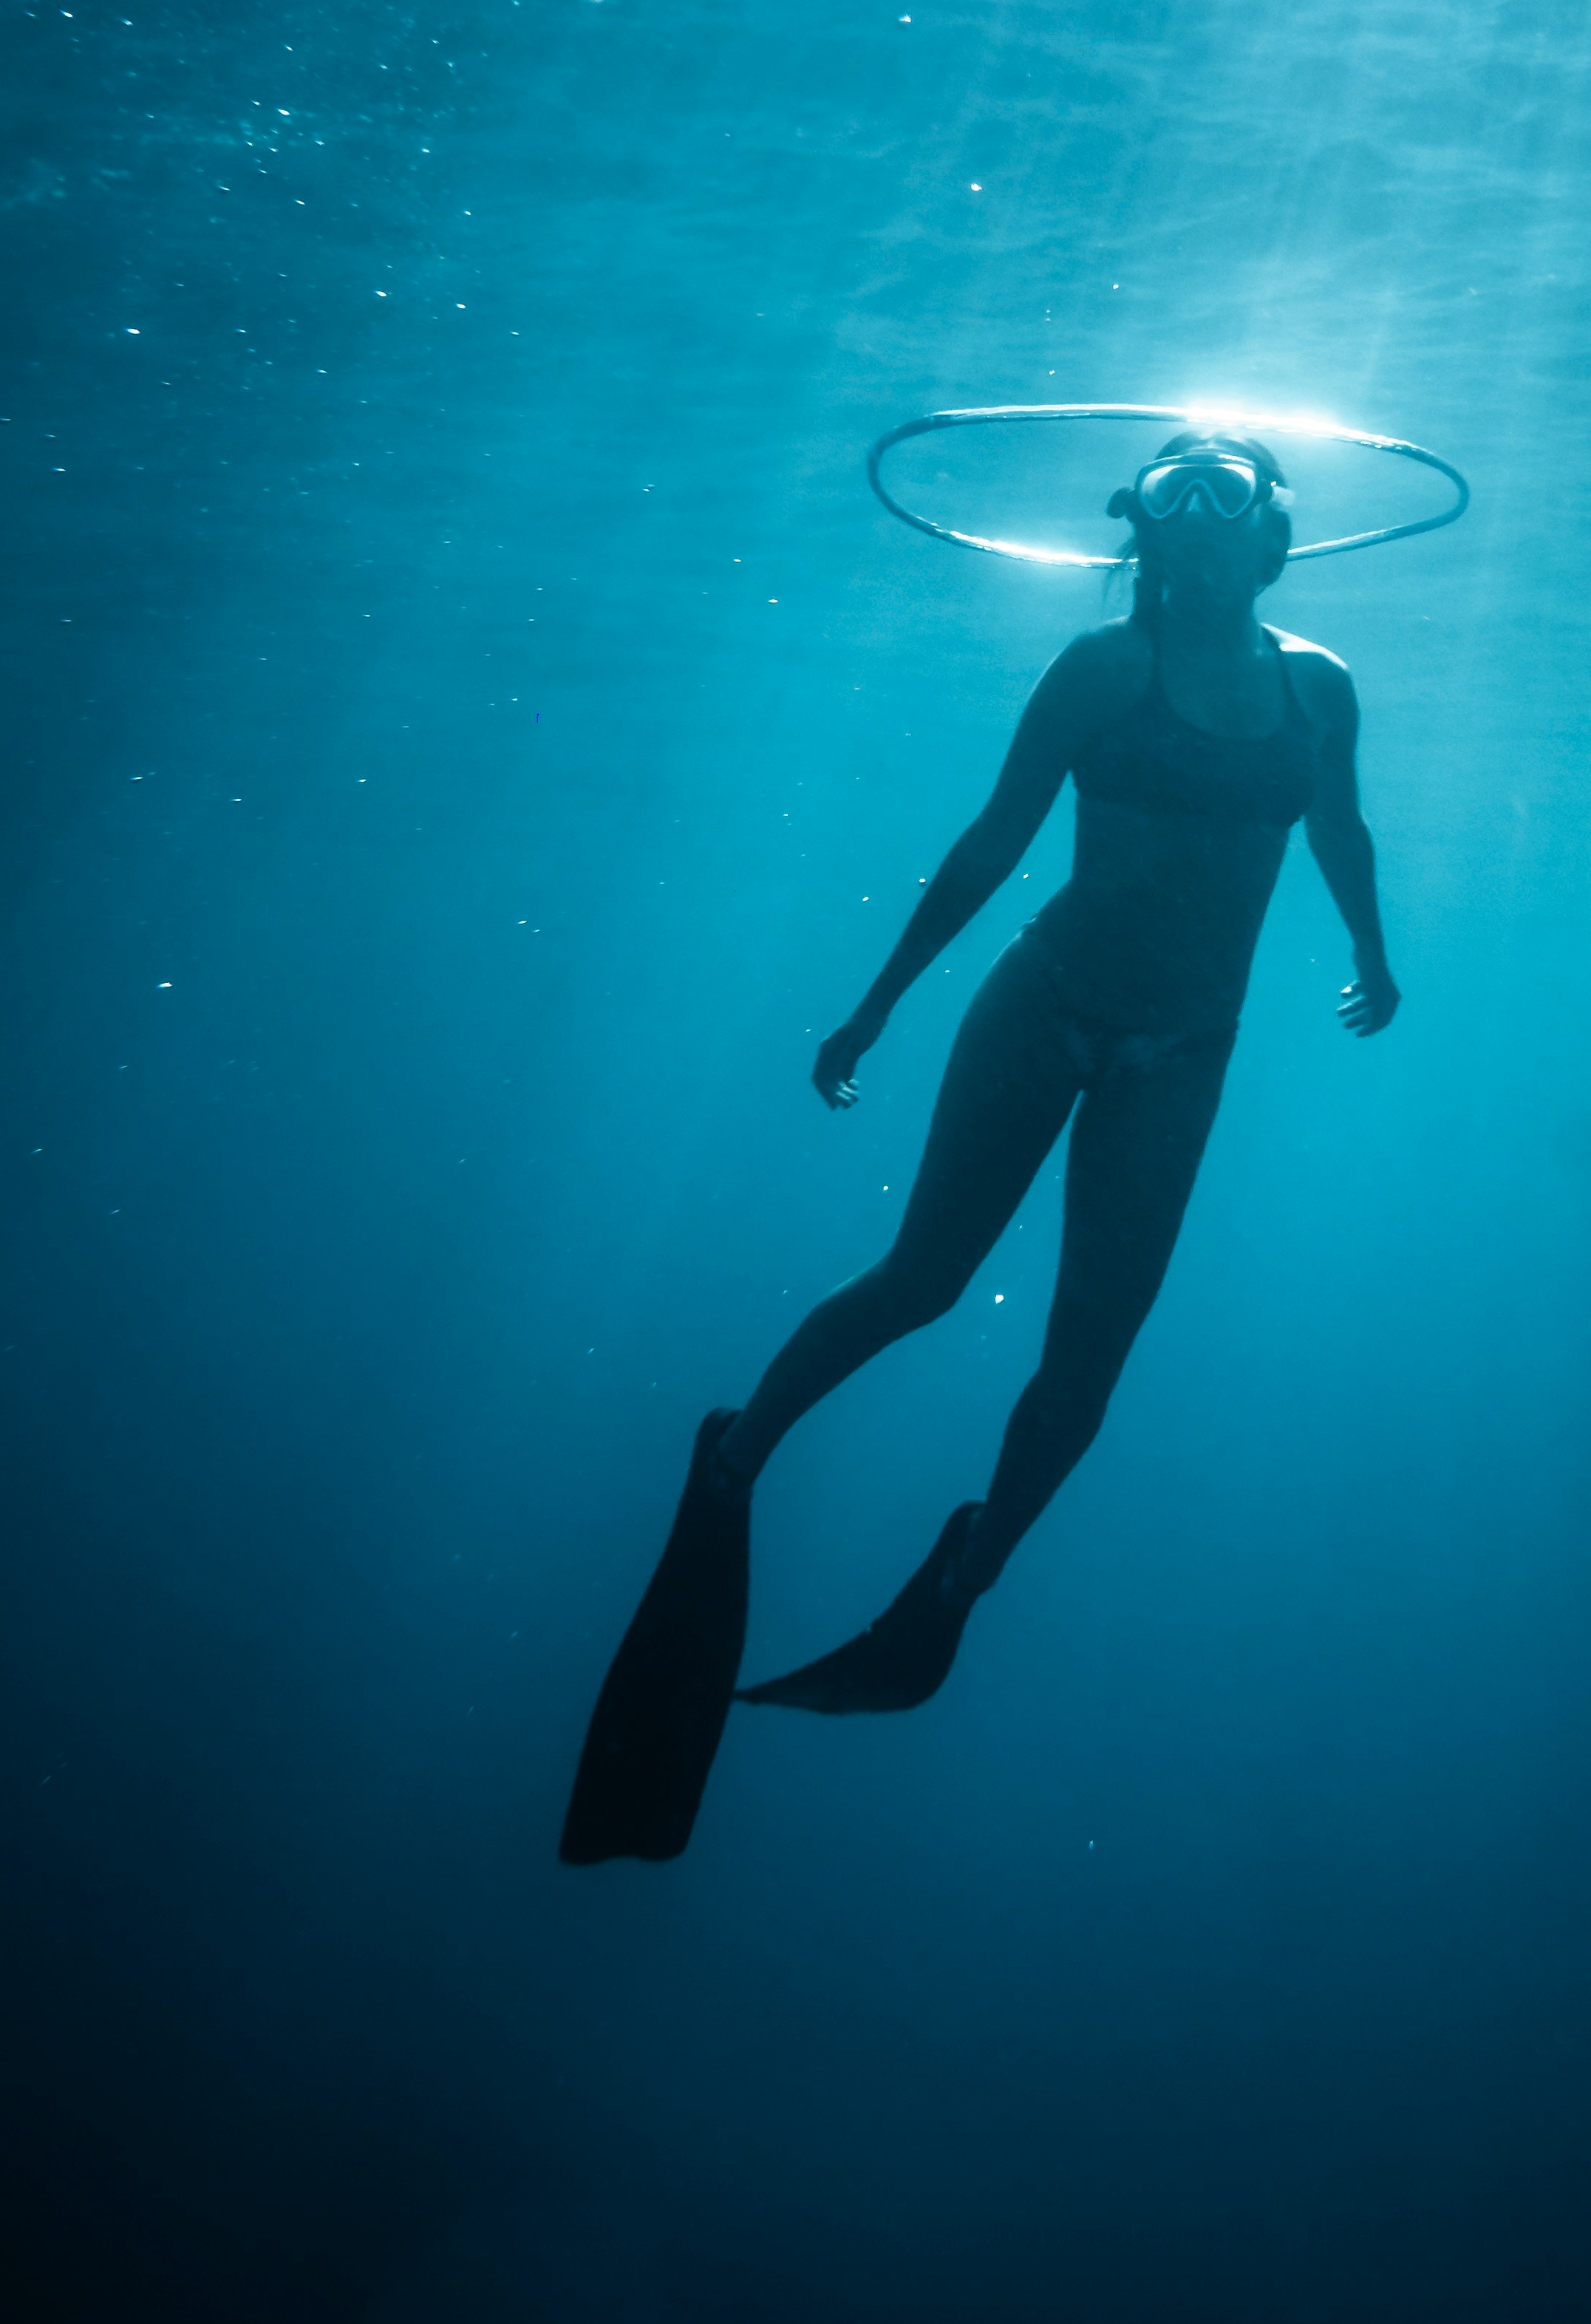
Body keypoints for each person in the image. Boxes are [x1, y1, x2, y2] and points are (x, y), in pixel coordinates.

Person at [561, 431, 1400, 1865]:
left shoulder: (1316, 687)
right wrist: (873, 1005)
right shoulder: (1096, 669)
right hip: (1046, 1006)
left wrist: (1377, 956)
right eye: (1170, 502)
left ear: (1270, 541)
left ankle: (967, 1569)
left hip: (1184, 1057)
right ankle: (736, 1455)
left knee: (1089, 1361)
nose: (1193, 531)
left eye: (1226, 503)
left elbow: (1341, 831)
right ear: (1138, 532)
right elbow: (990, 840)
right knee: (923, 1279)